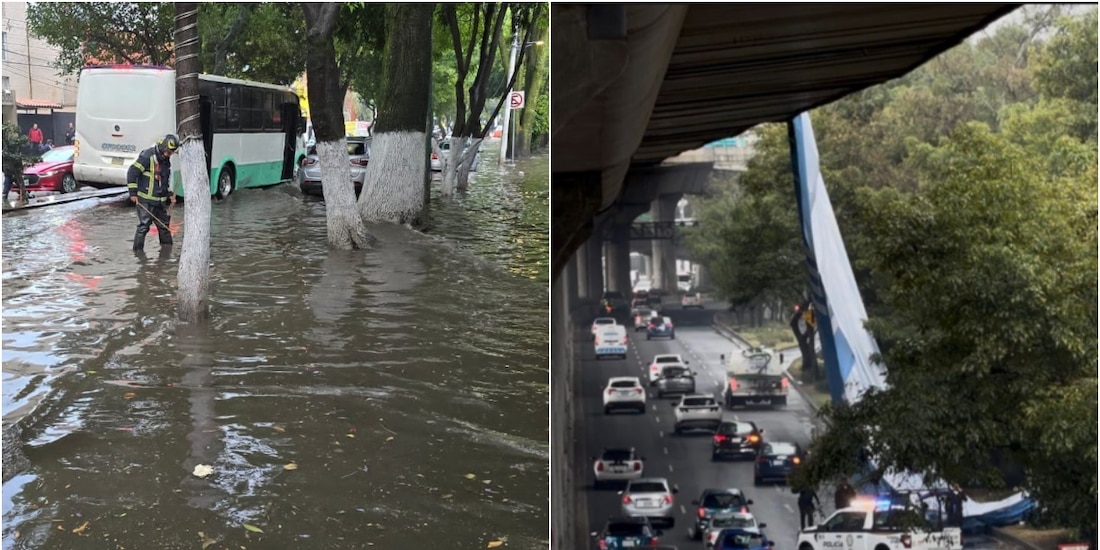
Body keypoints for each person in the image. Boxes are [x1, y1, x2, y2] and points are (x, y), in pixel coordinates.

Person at [127, 134, 179, 252]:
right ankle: (138, 253)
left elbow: (163, 182)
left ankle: (166, 253)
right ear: (162, 147)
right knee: (144, 227)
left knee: (164, 227)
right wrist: (133, 193)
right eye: (168, 152)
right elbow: (132, 172)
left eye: (171, 152)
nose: (169, 154)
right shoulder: (147, 156)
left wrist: (169, 194)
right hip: (145, 201)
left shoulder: (166, 161)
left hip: (160, 203)